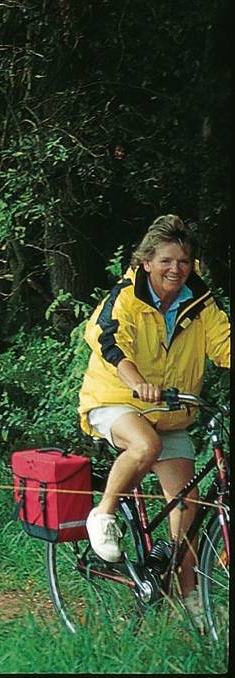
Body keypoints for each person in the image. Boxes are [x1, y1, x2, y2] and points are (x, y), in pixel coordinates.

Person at [79, 214, 229, 625]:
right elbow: (107, 339)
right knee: (145, 446)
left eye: (182, 261)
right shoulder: (124, 297)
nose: (175, 269)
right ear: (146, 261)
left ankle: (192, 600)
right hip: (116, 398)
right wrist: (137, 381)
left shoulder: (200, 303)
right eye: (165, 260)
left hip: (171, 411)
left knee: (187, 515)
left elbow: (225, 345)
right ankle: (103, 514)